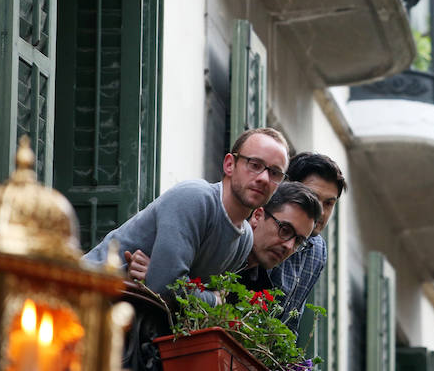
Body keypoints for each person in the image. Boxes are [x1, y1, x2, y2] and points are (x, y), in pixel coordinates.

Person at [84, 127, 290, 304]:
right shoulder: (195, 198)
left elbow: (175, 294)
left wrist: (167, 280)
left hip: (131, 323)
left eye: (275, 173)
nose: (263, 178)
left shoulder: (245, 239)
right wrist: (214, 299)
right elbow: (164, 288)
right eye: (254, 165)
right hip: (85, 297)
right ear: (229, 165)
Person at [127, 181, 323, 288]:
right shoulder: (207, 230)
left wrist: (160, 276)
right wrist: (162, 275)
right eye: (285, 230)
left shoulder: (261, 291)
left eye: (299, 241)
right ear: (257, 215)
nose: (289, 246)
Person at [263, 152, 345, 331]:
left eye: (329, 203)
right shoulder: (262, 223)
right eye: (313, 198)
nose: (321, 212)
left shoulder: (318, 250)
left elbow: (289, 324)